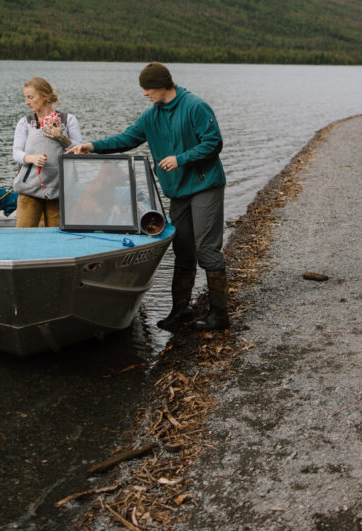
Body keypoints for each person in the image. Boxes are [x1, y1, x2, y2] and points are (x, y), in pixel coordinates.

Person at [67, 62, 229, 331]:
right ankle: (180, 311)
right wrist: (91, 146)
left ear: (163, 85)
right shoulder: (151, 116)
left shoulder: (195, 106)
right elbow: (127, 138)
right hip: (178, 191)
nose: (145, 94)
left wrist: (181, 159)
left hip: (205, 186)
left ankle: (219, 315)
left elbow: (213, 143)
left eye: (148, 88)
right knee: (183, 250)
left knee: (207, 250)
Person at [12, 77, 83, 227]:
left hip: (59, 190)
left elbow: (80, 152)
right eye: (25, 98)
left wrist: (61, 137)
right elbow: (16, 153)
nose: (27, 102)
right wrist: (31, 158)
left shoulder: (68, 120)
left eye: (31, 97)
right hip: (29, 190)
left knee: (58, 236)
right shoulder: (24, 122)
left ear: (44, 97)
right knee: (23, 236)